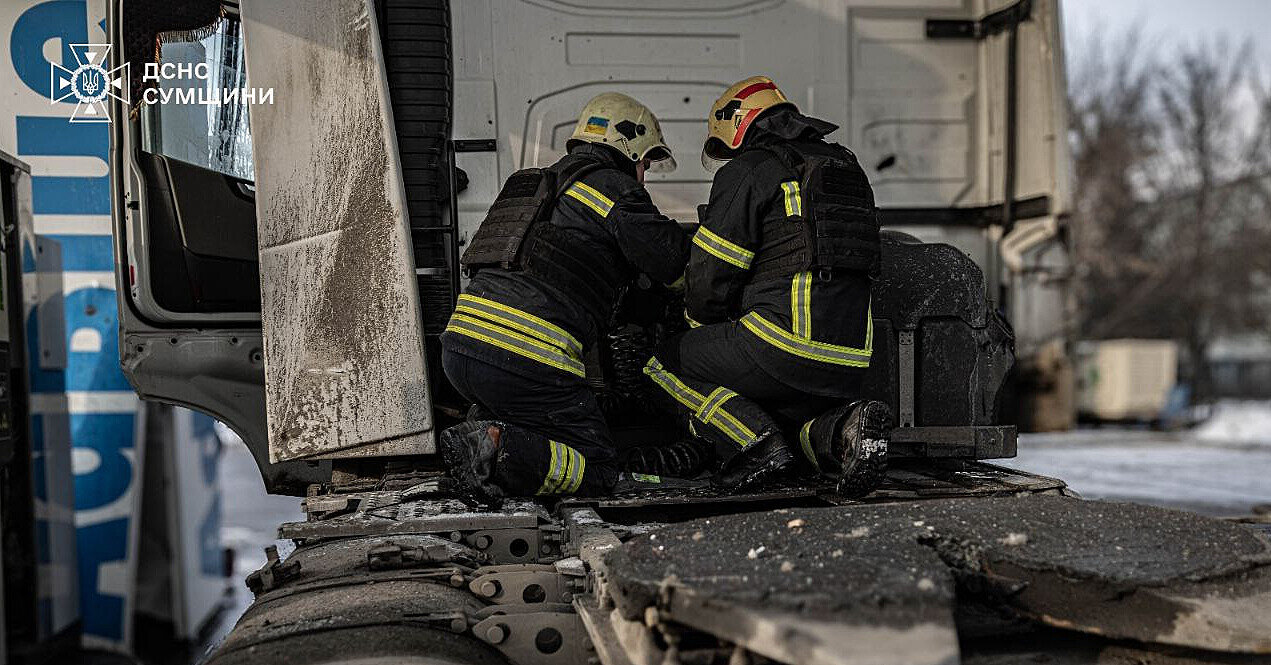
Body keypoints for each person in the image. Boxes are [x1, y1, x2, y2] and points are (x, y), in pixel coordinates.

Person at [644, 76, 892, 495]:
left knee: (661, 365)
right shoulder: (845, 167)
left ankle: (755, 446)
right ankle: (844, 431)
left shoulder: (751, 169)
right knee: (784, 412)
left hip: (782, 345)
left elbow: (711, 276)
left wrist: (696, 326)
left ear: (736, 125)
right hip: (852, 358)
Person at [439, 92, 689, 500]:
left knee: (542, 428)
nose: (643, 175)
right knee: (598, 467)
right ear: (629, 148)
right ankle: (496, 446)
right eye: (645, 163)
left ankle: (482, 438)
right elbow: (670, 259)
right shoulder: (613, 186)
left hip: (461, 350)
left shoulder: (530, 184)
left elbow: (562, 267)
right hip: (524, 358)